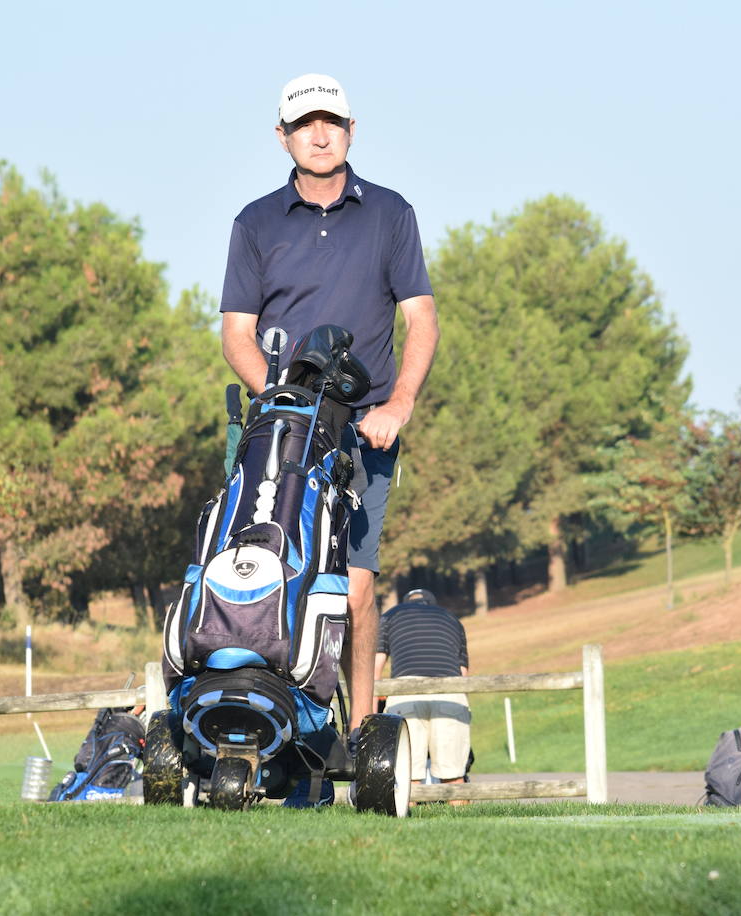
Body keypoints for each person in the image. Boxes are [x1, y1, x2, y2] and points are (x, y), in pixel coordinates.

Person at [219, 74, 440, 736]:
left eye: (331, 122)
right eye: (305, 125)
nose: (319, 135)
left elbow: (421, 321)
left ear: (350, 131)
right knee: (270, 570)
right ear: (282, 137)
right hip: (279, 431)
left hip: (364, 427)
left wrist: (398, 404)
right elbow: (237, 335)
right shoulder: (254, 222)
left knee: (356, 588)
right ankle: (280, 722)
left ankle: (359, 733)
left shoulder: (390, 214)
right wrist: (283, 400)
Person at [375, 588, 470, 800]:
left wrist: (372, 715)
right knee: (454, 775)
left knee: (407, 775)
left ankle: (408, 825)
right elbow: (463, 674)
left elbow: (376, 667)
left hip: (405, 691)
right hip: (449, 691)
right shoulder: (452, 620)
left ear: (406, 602)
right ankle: (463, 821)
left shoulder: (391, 616)